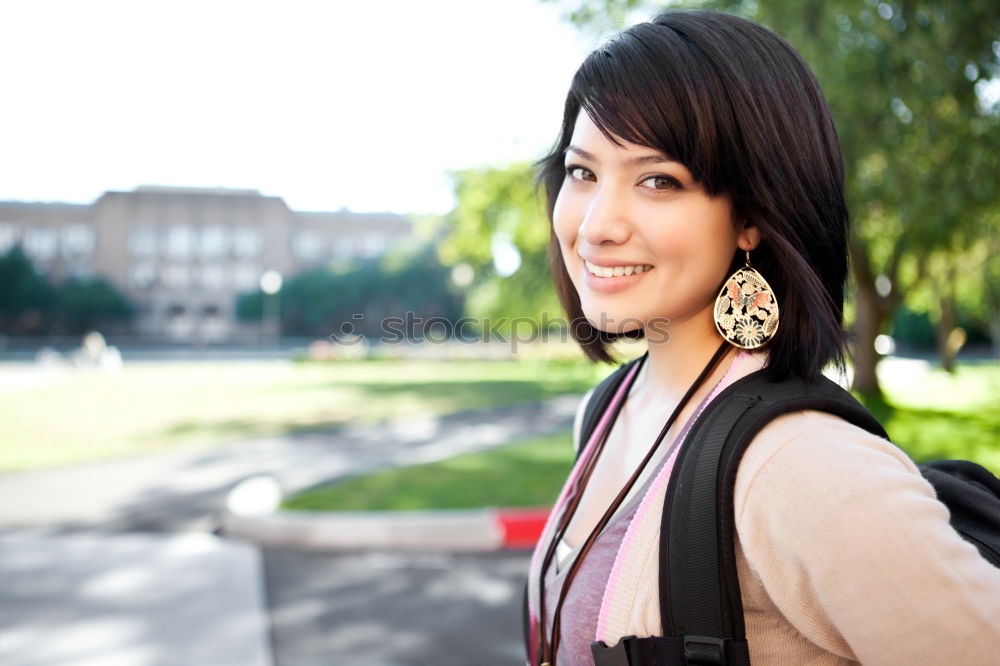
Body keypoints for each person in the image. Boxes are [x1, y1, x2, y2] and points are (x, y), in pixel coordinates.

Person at [524, 9, 1000, 666]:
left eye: (658, 180)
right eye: (583, 172)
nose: (596, 224)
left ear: (749, 216)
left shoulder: (803, 466)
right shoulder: (608, 408)